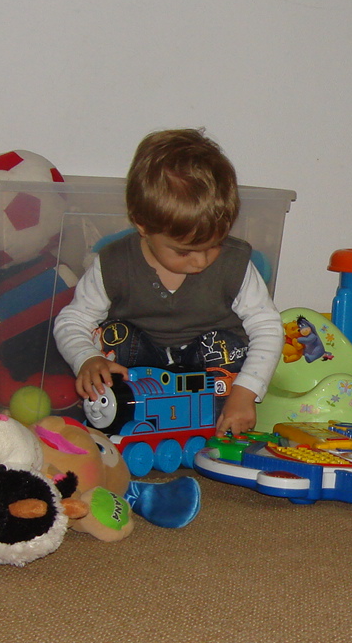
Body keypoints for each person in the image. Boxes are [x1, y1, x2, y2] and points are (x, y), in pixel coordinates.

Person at [53, 129, 282, 437]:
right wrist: (87, 358)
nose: (200, 261)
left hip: (207, 368)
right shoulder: (113, 263)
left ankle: (218, 416)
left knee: (228, 345)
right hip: (140, 370)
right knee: (113, 335)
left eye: (214, 245)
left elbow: (267, 327)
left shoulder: (235, 264)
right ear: (142, 224)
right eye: (184, 251)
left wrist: (246, 391)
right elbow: (72, 320)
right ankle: (119, 418)